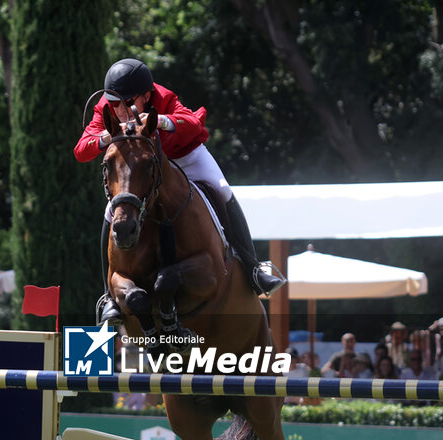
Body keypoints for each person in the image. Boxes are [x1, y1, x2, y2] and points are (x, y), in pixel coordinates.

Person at [75, 58, 285, 325]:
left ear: (147, 95)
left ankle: (253, 267)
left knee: (222, 190)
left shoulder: (163, 97)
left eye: (127, 102)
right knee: (111, 211)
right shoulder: (107, 108)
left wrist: (161, 121)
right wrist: (107, 136)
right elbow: (81, 150)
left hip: (184, 156)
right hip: (143, 166)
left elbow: (192, 123)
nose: (119, 109)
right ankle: (109, 297)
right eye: (115, 102)